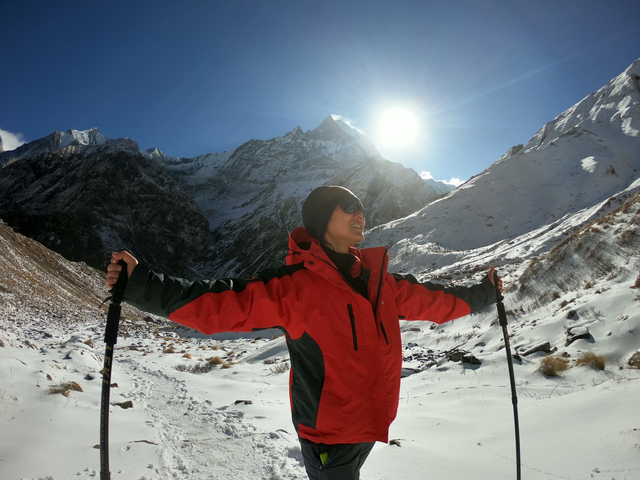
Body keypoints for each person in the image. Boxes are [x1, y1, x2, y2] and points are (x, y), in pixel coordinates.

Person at [106, 185, 502, 480]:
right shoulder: (297, 287)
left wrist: (486, 292)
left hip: (372, 426)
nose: (360, 213)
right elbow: (219, 304)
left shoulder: (382, 283)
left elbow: (440, 302)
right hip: (329, 437)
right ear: (320, 221)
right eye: (348, 207)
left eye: (362, 207)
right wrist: (142, 283)